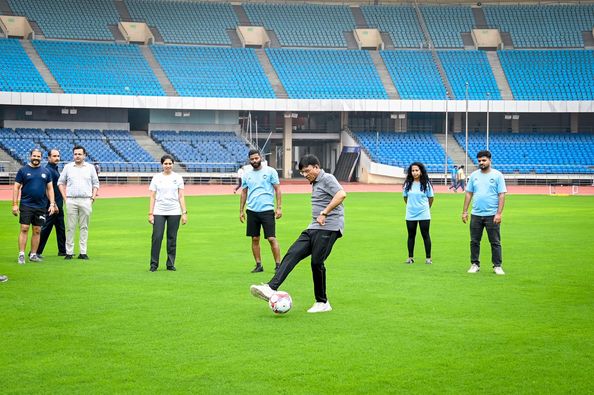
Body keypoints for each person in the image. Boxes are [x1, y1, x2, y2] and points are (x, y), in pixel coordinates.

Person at [250, 154, 346, 313]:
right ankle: (271, 287)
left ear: (316, 167)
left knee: (316, 263)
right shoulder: (315, 182)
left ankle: (322, 302)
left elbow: (342, 194)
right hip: (314, 227)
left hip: (329, 227)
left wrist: (325, 213)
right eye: (302, 172)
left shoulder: (327, 178)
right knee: (293, 253)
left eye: (307, 171)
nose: (305, 175)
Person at [462, 150, 507, 275]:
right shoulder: (474, 175)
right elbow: (469, 193)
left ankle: (497, 266)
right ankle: (474, 264)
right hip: (476, 214)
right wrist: (464, 211)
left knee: (495, 242)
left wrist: (499, 213)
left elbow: (501, 195)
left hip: (492, 214)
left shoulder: (498, 175)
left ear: (490, 160)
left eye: (484, 160)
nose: (481, 163)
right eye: (479, 161)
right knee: (474, 241)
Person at [12, 148, 58, 264]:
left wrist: (52, 204)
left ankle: (33, 254)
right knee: (24, 228)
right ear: (30, 156)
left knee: (37, 230)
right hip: (26, 205)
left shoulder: (46, 172)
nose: (36, 158)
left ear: (41, 158)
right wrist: (15, 204)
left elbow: (50, 189)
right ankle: (21, 254)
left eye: (38, 157)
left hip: (41, 206)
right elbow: (16, 187)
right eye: (34, 156)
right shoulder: (23, 171)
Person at [240, 149, 282, 273]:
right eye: (252, 159)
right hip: (252, 210)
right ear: (249, 160)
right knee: (254, 239)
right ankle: (259, 265)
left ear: (261, 158)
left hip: (267, 210)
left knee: (271, 238)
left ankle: (278, 265)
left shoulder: (270, 172)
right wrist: (241, 211)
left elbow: (278, 189)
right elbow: (243, 192)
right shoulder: (246, 174)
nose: (254, 161)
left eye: (256, 158)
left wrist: (279, 207)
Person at [58, 145, 99, 260]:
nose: (77, 156)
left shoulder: (90, 168)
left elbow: (96, 183)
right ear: (73, 155)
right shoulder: (68, 167)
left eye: (80, 154)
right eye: (75, 154)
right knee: (70, 227)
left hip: (86, 200)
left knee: (84, 227)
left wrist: (93, 198)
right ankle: (69, 252)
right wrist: (65, 198)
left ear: (84, 155)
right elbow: (60, 182)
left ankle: (83, 252)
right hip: (71, 199)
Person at [148, 155, 187, 272]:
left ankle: (170, 264)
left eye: (170, 164)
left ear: (173, 164)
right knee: (157, 237)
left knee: (172, 238)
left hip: (174, 211)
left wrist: (184, 212)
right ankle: (154, 264)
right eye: (165, 164)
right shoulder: (156, 178)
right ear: (162, 165)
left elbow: (181, 196)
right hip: (159, 210)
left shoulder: (178, 178)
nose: (168, 166)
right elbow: (152, 196)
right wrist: (150, 213)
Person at [403, 162, 434, 265]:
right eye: (413, 171)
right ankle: (410, 257)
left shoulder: (426, 184)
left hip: (424, 213)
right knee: (411, 235)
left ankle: (428, 258)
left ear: (421, 171)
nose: (415, 172)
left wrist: (425, 208)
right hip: (411, 213)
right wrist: (412, 206)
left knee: (425, 235)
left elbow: (431, 198)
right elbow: (405, 197)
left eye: (417, 170)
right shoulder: (408, 184)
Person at [37, 149, 66, 258]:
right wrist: (53, 204)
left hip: (58, 205)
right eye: (54, 156)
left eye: (58, 156)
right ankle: (35, 252)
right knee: (45, 229)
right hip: (52, 206)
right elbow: (47, 189)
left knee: (61, 228)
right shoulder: (48, 170)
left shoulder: (54, 169)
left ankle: (63, 250)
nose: (57, 158)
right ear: (49, 158)